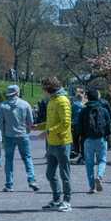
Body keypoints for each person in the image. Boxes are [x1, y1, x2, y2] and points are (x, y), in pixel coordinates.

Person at [35, 77, 73, 212]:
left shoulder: (62, 100)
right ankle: (56, 199)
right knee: (50, 173)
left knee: (64, 174)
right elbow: (51, 123)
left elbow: (65, 123)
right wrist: (37, 127)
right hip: (52, 143)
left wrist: (48, 132)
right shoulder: (51, 101)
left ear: (49, 88)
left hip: (62, 142)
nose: (42, 92)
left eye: (43, 89)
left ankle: (67, 201)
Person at [0, 85, 39, 192]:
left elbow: (1, 123)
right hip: (22, 134)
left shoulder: (3, 106)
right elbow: (30, 122)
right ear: (17, 92)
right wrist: (27, 132)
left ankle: (9, 184)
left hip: (9, 135)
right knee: (27, 158)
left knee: (9, 160)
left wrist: (3, 135)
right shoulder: (25, 104)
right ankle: (32, 180)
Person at [77, 89, 111, 194]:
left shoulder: (84, 110)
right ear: (98, 97)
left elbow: (79, 127)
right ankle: (99, 176)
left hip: (88, 139)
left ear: (87, 98)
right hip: (101, 139)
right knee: (102, 160)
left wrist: (82, 137)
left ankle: (92, 187)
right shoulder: (103, 110)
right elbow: (109, 127)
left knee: (89, 163)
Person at [71, 89, 85, 163]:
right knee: (82, 139)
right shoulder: (83, 105)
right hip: (82, 125)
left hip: (75, 124)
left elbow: (71, 115)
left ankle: (76, 151)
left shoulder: (73, 105)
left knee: (75, 139)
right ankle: (82, 154)